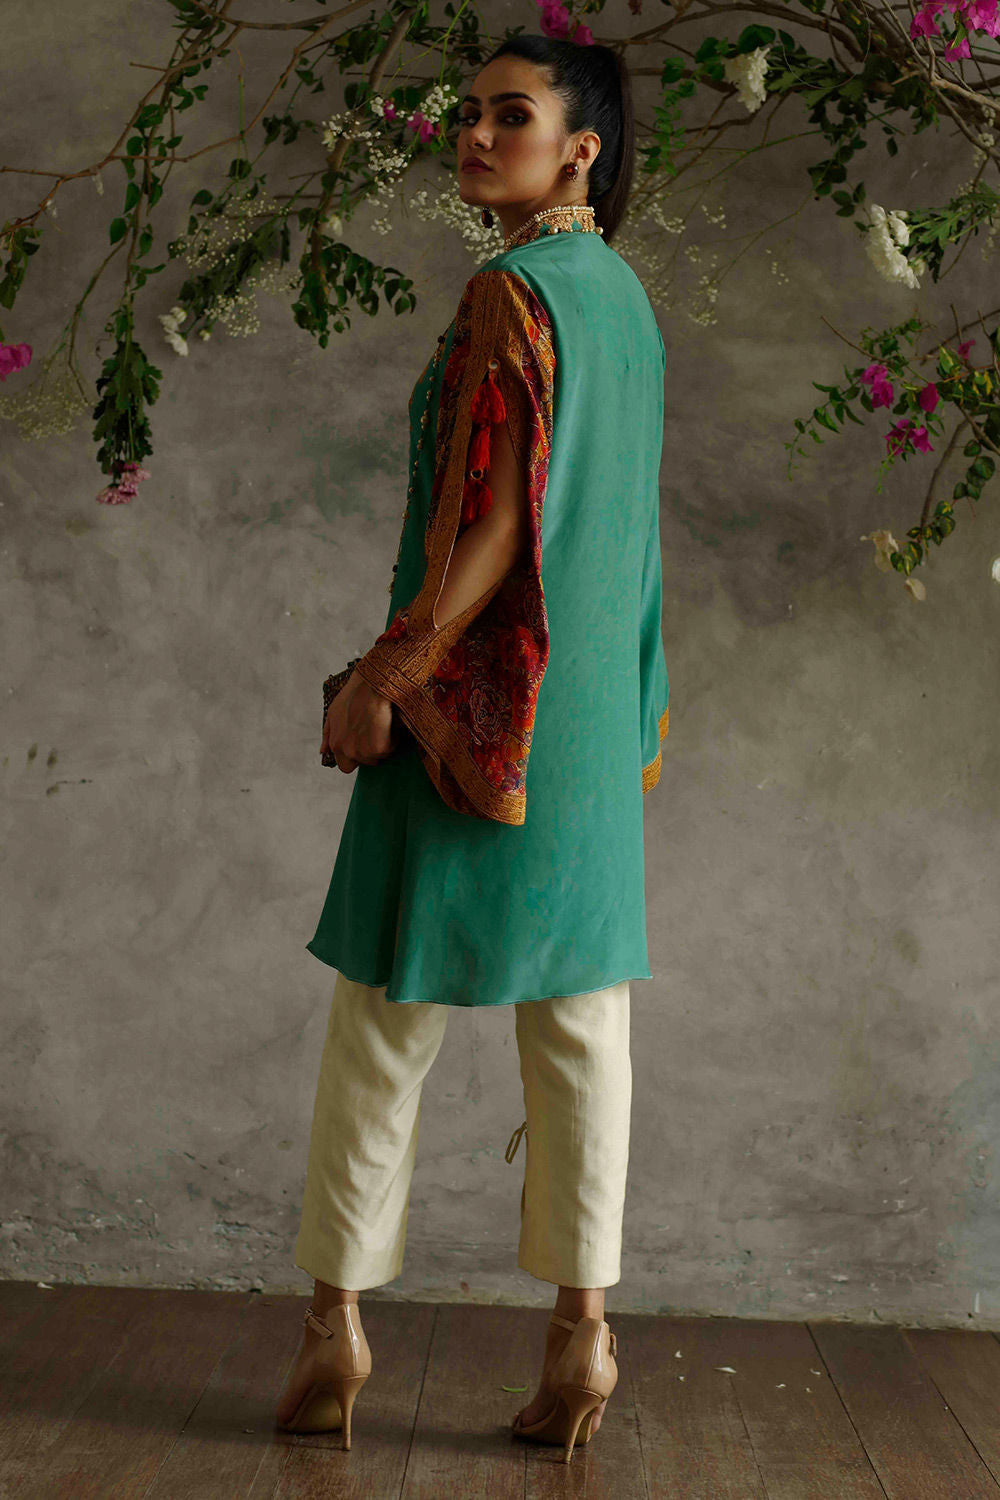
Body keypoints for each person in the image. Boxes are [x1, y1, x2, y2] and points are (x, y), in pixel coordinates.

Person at [276, 33, 670, 1463]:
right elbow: (625, 529)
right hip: (591, 723)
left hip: (479, 708)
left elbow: (499, 526)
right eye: (471, 112)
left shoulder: (513, 292)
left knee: (385, 1015)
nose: (478, 133)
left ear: (581, 151)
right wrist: (637, 710)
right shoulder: (625, 302)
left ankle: (335, 1329)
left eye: (513, 115)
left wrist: (391, 674)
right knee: (582, 1030)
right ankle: (584, 1338)